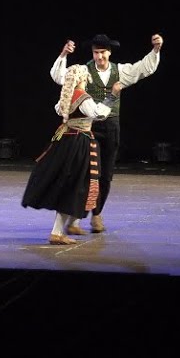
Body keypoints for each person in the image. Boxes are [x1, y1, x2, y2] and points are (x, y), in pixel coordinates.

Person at [49, 33, 163, 233]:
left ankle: (97, 214)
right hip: (88, 127)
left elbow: (143, 68)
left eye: (102, 53)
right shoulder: (84, 70)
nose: (99, 57)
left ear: (109, 52)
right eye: (96, 53)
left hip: (110, 127)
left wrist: (156, 50)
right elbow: (61, 78)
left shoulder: (120, 71)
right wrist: (63, 54)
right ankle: (75, 220)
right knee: (88, 173)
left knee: (105, 175)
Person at [22, 65, 112, 245]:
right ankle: (57, 232)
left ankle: (73, 223)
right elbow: (98, 114)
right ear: (81, 79)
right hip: (78, 143)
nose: (86, 81)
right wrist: (111, 98)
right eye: (85, 78)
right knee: (74, 185)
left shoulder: (67, 96)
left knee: (78, 183)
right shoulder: (82, 96)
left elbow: (59, 110)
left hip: (67, 141)